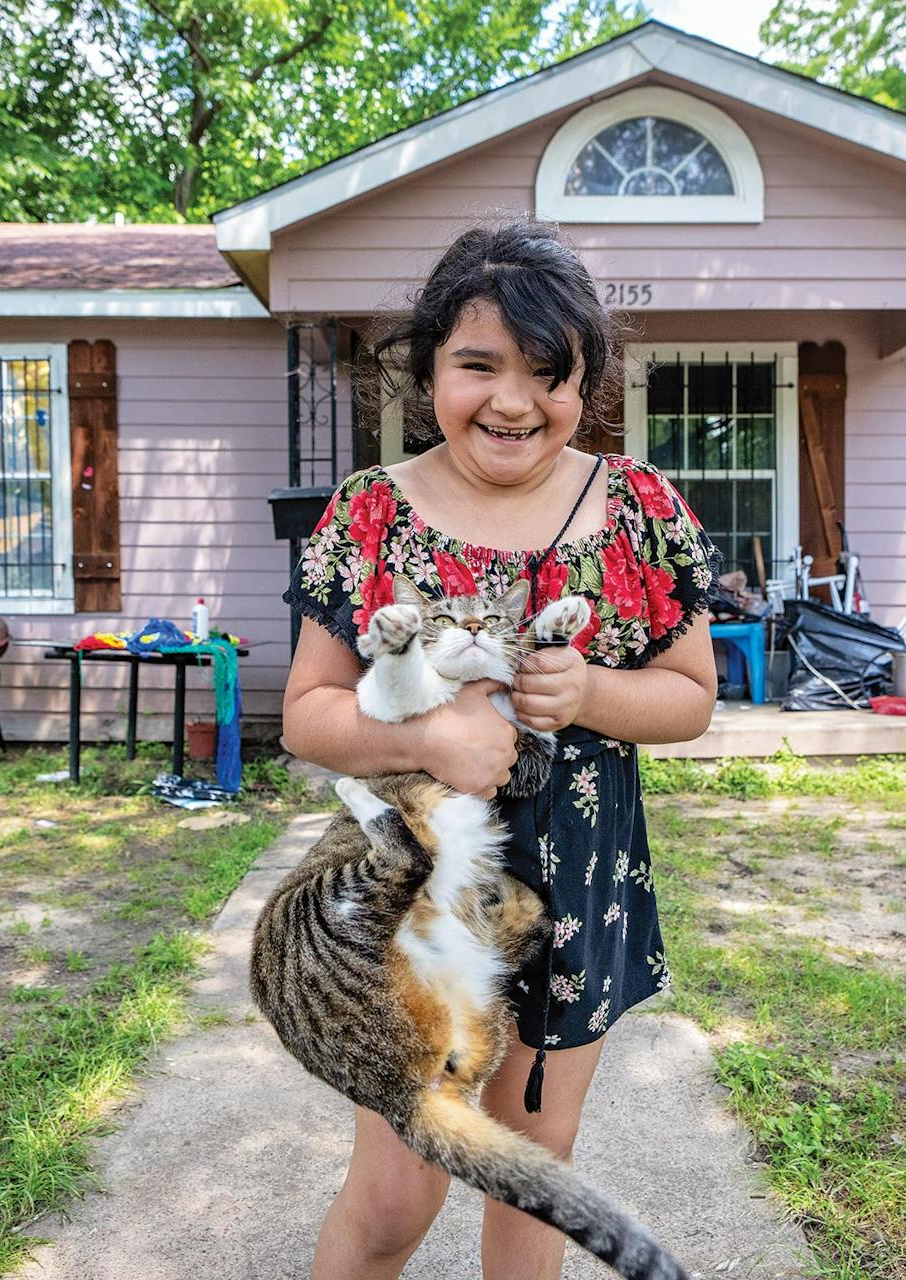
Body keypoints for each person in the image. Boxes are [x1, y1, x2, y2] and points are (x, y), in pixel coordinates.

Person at [280, 220, 721, 1280]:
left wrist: (595, 689)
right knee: (396, 1187)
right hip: (413, 898)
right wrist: (426, 731)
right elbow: (306, 713)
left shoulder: (637, 510)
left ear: (588, 382)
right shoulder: (370, 512)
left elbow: (690, 696)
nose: (511, 400)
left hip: (584, 885)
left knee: (534, 1154)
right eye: (477, 364)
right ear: (427, 365)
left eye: (546, 372)